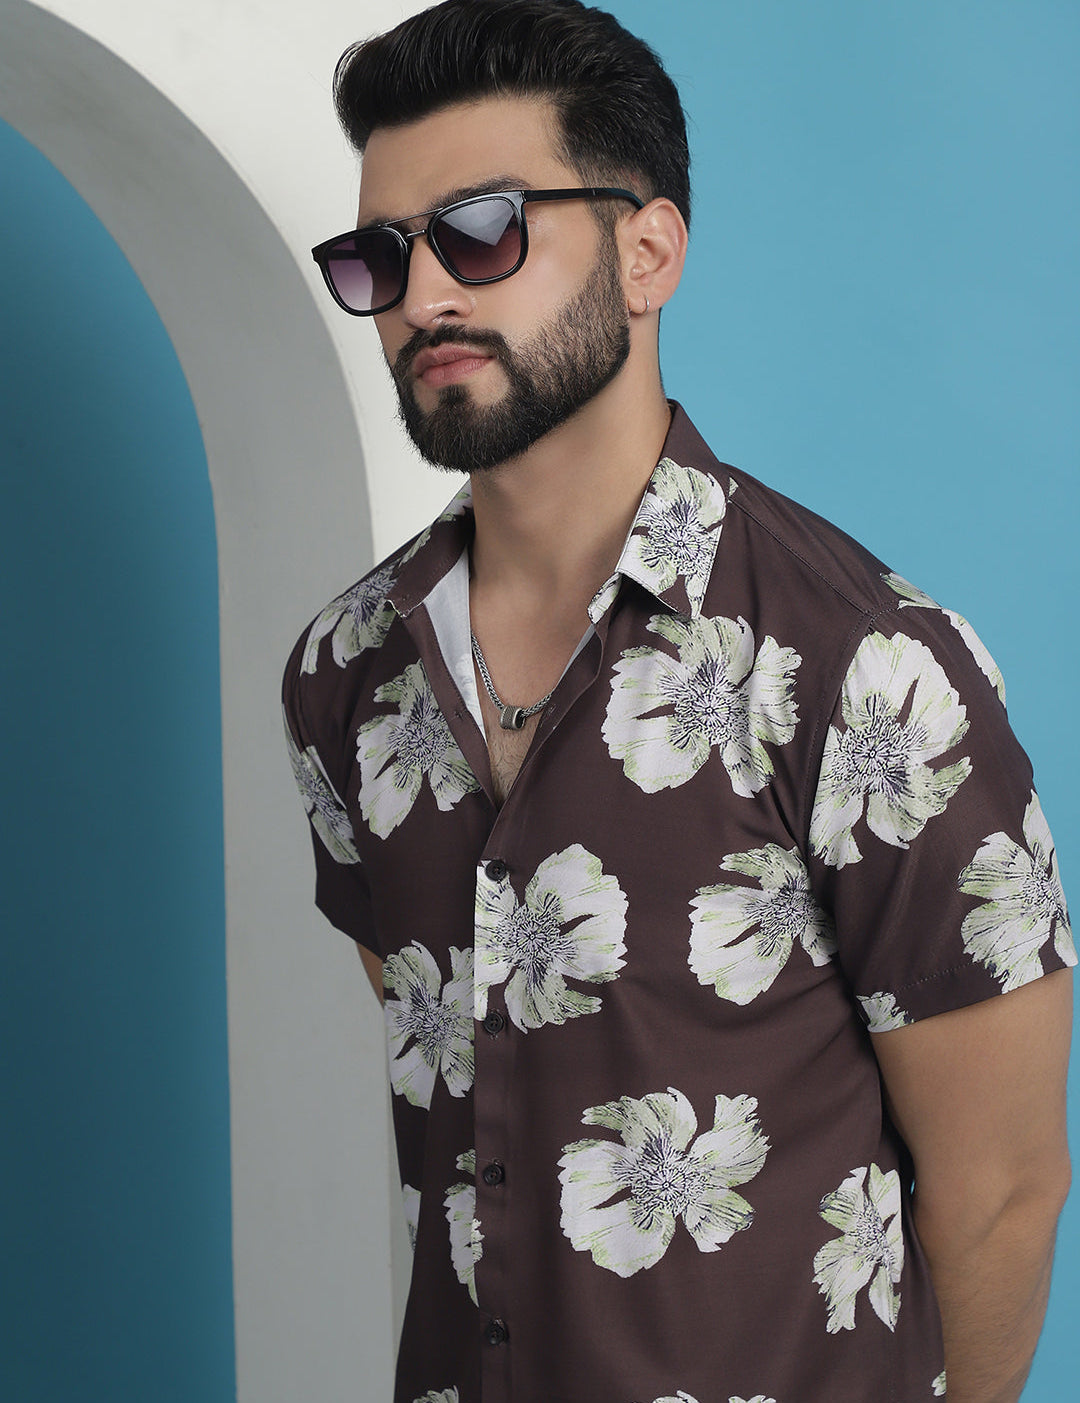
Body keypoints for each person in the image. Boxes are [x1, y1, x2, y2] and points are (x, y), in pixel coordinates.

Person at [282, 4, 1074, 1400]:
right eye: (381, 256)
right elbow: (452, 1093)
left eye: (483, 232)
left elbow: (1004, 1188)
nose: (425, 296)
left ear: (647, 253)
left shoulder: (869, 667)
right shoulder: (344, 671)